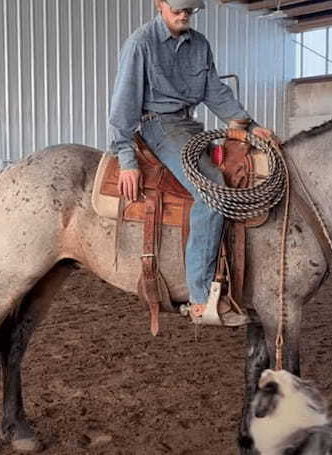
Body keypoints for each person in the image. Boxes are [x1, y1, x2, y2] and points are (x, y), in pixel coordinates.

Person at [109, 0, 277, 326]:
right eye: (178, 8)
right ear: (160, 4)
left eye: (190, 9)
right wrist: (127, 159)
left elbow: (216, 92)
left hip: (190, 126)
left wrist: (251, 125)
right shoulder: (141, 43)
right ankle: (200, 297)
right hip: (158, 125)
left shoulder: (199, 45)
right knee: (212, 189)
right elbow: (123, 106)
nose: (184, 14)